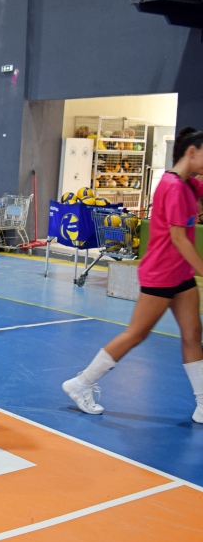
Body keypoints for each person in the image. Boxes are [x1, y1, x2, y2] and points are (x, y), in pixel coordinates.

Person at [63, 127, 203, 422]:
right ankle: (81, 384)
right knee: (137, 333)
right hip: (161, 273)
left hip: (181, 274)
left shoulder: (191, 185)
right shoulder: (173, 187)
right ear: (191, 152)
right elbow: (178, 238)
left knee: (192, 334)